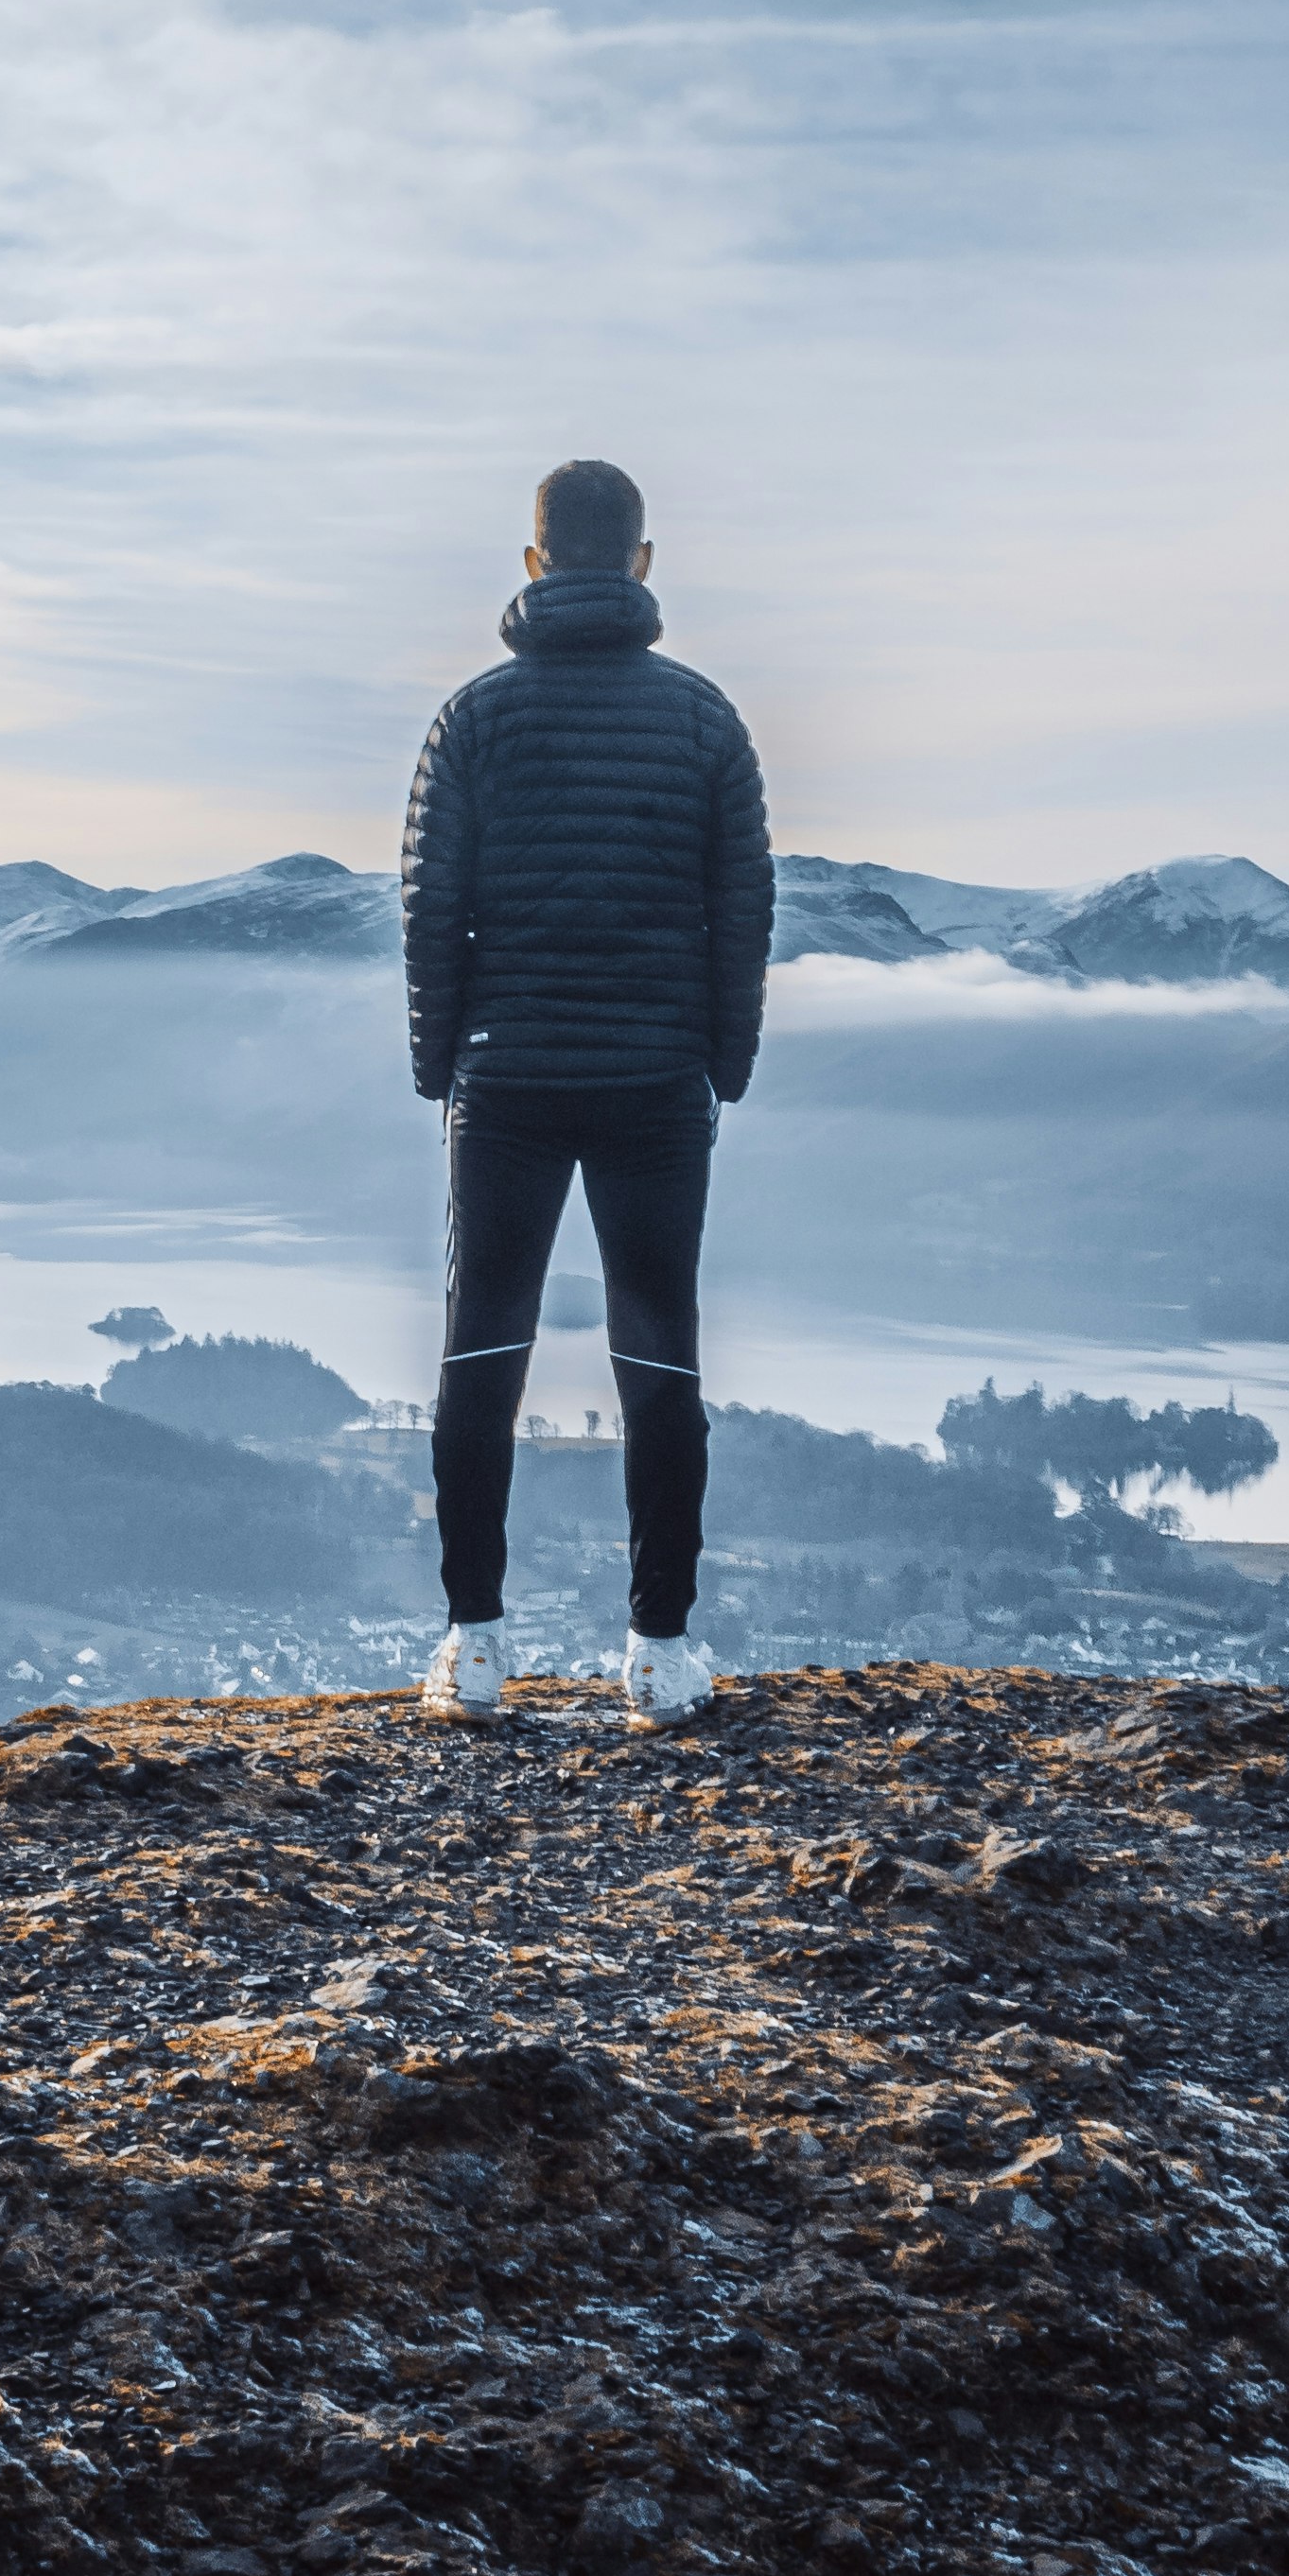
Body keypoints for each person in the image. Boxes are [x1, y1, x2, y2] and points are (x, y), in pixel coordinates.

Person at [400, 459, 775, 1727]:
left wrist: (437, 1058)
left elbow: (431, 906)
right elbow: (743, 911)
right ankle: (660, 1657)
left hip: (506, 1079)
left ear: (533, 563)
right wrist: (724, 1059)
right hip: (656, 1082)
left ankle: (478, 1649)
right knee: (658, 1353)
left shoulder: (473, 718)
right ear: (645, 564)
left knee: (485, 1346)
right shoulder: (705, 719)